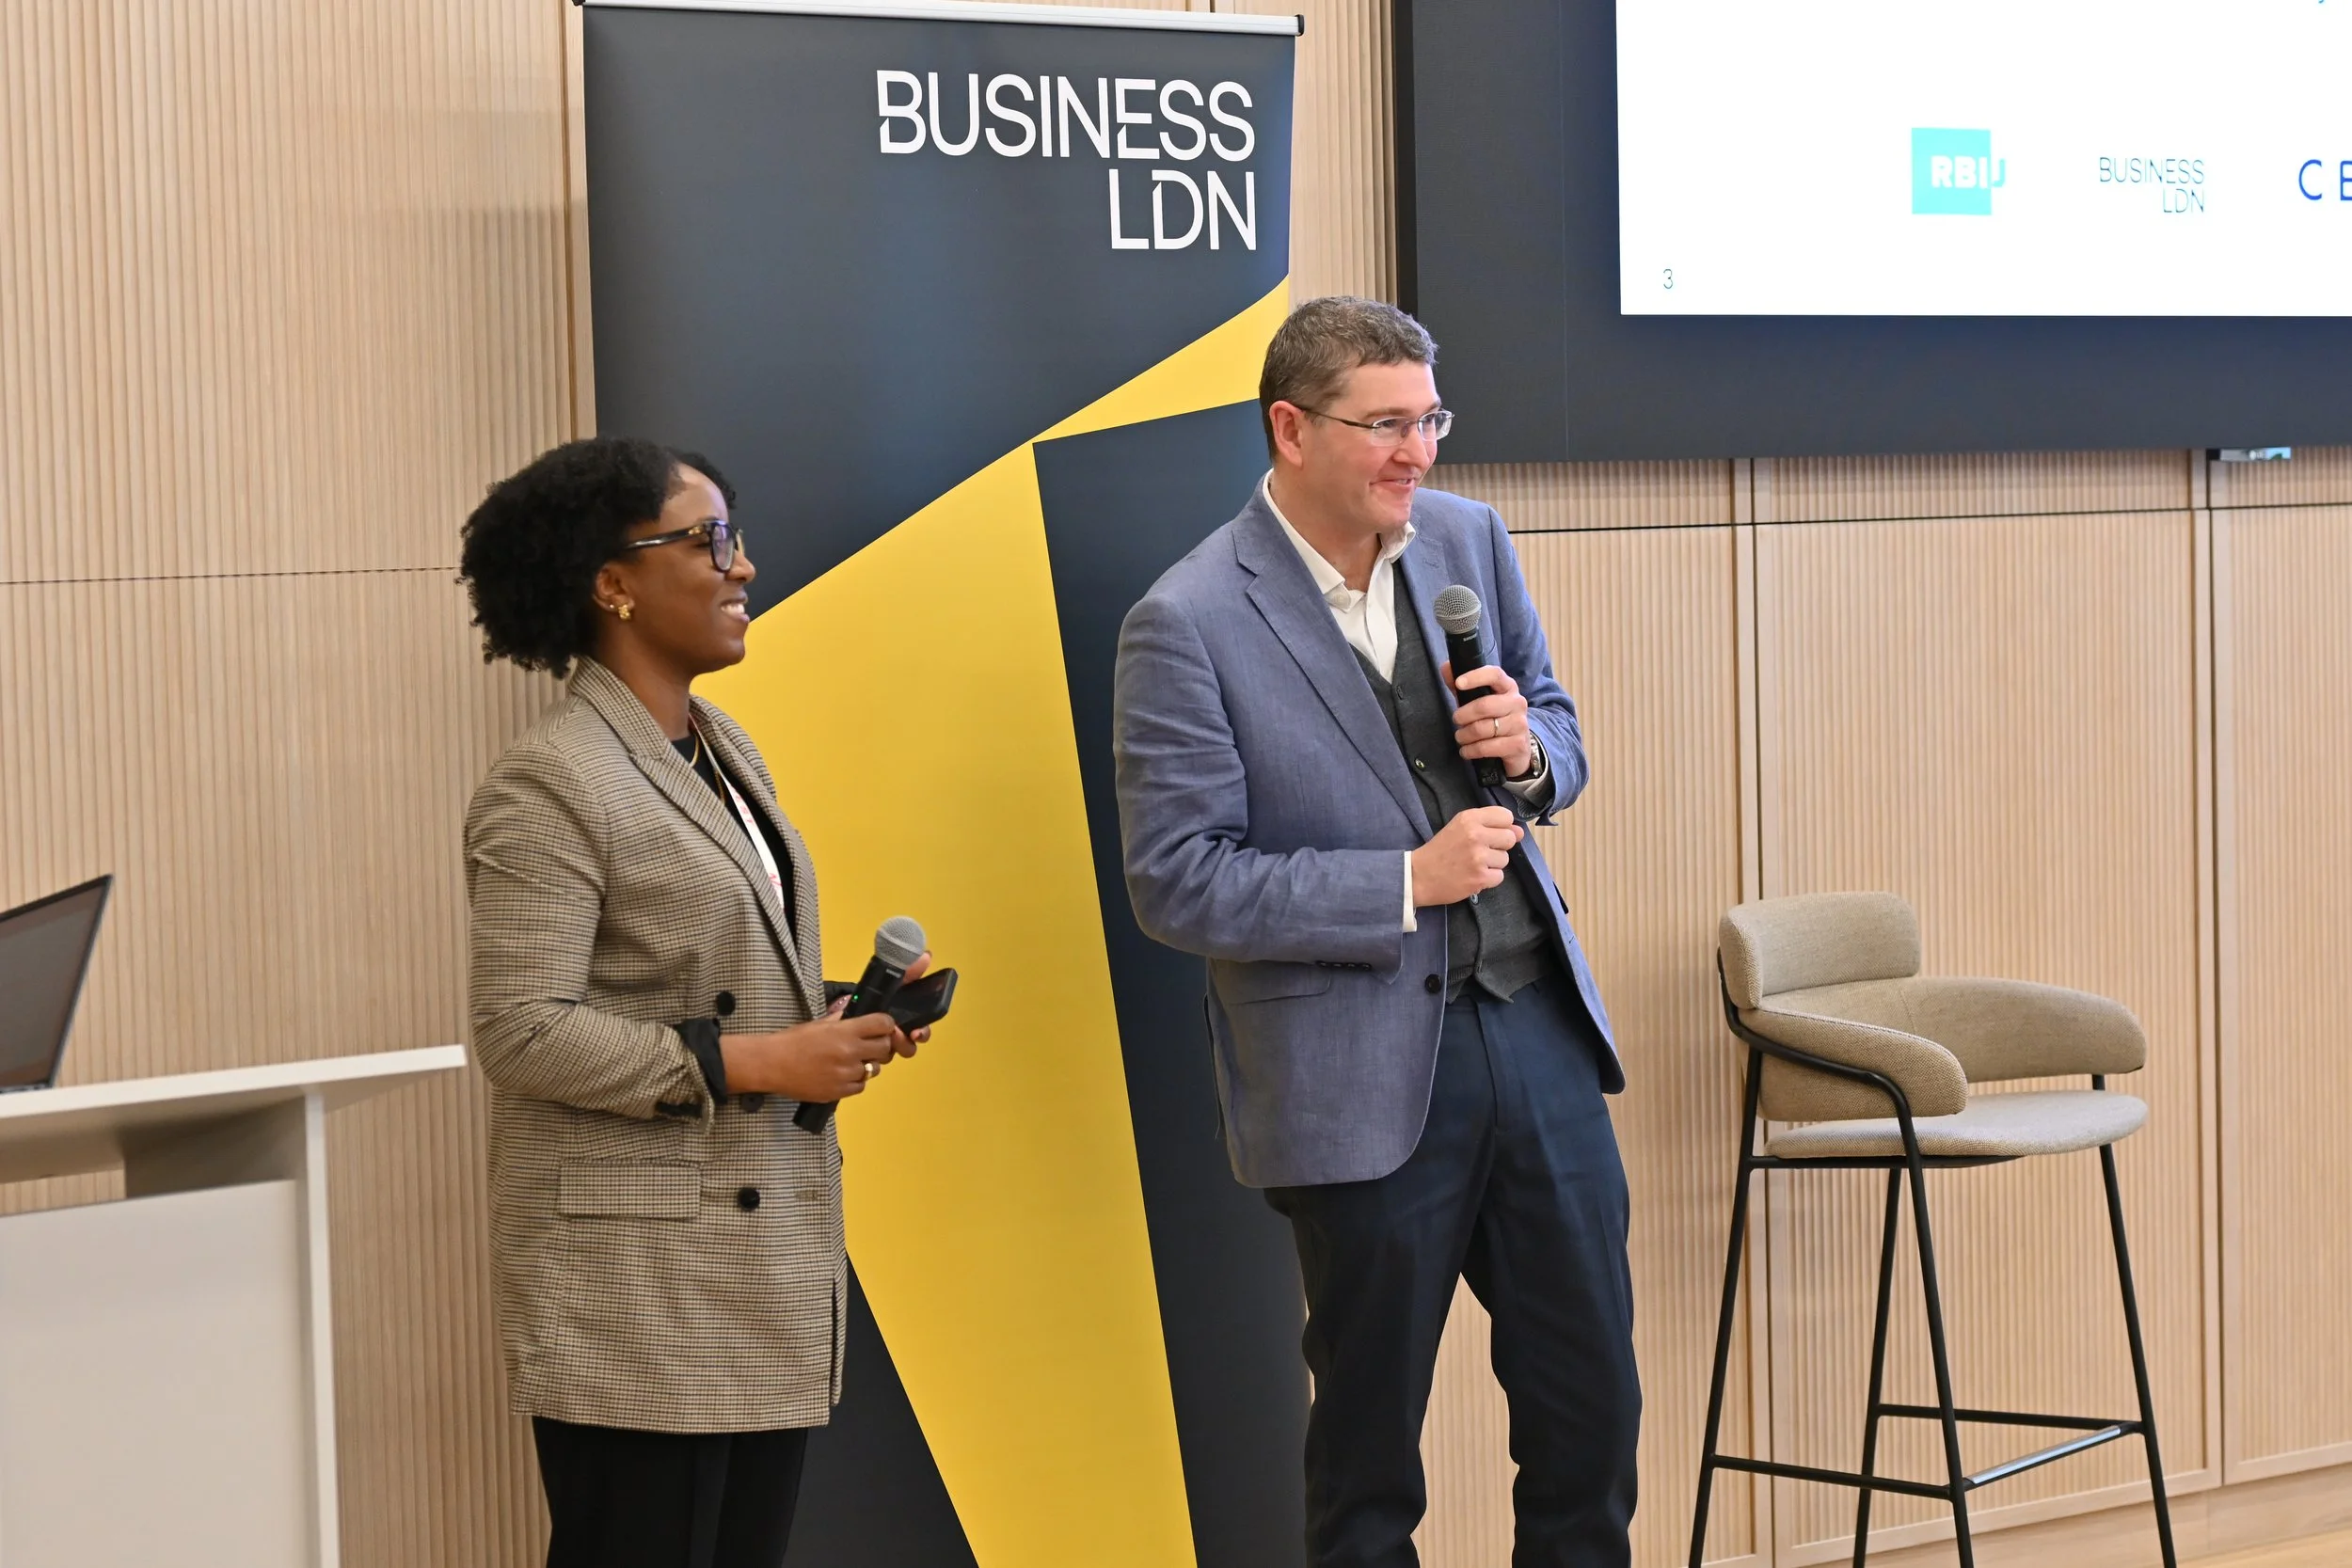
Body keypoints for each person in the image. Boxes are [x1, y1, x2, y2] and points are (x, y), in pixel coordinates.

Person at [1112, 298, 1639, 1566]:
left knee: (1592, 1410)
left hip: (1536, 1029)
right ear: (1290, 429)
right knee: (1368, 1458)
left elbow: (1556, 722)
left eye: (1430, 418)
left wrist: (1531, 749)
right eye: (1386, 425)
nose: (1420, 453)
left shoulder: (1467, 538)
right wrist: (1404, 882)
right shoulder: (1187, 619)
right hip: (1353, 1071)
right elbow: (1178, 880)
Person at [458, 436, 929, 1568]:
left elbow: (701, 969)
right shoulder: (550, 779)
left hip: (751, 1264)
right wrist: (759, 1061)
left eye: (735, 537)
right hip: (636, 1285)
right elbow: (522, 1028)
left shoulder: (724, 750)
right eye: (710, 539)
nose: (743, 564)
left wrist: (834, 1014)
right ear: (611, 581)